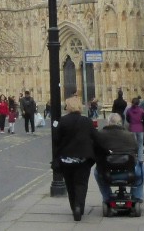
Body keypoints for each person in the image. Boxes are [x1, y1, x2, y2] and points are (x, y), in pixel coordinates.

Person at [53, 94, 96, 222]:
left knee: (70, 185)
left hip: (66, 160)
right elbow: (96, 137)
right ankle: (79, 207)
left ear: (68, 107)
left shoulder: (63, 121)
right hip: (82, 160)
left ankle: (74, 207)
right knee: (81, 184)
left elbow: (56, 139)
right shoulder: (87, 121)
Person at [92, 112, 144, 208]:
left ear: (108, 122)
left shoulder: (100, 135)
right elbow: (136, 149)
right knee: (142, 171)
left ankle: (106, 196)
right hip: (129, 172)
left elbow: (95, 152)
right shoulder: (129, 135)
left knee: (96, 173)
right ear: (121, 123)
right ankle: (136, 195)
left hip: (107, 172)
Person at [124, 96, 144, 160]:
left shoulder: (129, 110)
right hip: (140, 128)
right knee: (140, 145)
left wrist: (131, 122)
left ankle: (133, 158)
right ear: (139, 103)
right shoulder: (141, 110)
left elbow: (127, 119)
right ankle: (140, 159)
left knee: (133, 145)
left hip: (132, 128)